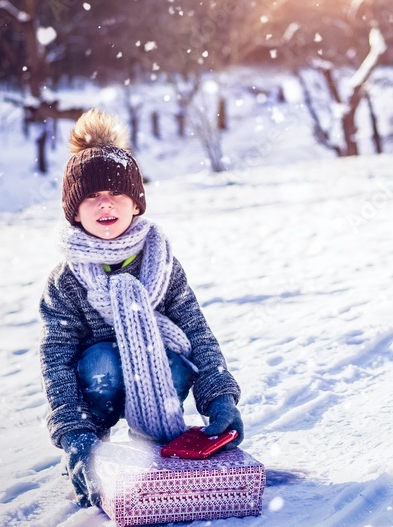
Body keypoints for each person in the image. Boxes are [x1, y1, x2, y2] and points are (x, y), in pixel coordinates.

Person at [37, 108, 243, 507]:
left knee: (173, 357)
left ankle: (153, 439)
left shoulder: (160, 261)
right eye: (92, 197)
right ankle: (96, 446)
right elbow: (55, 357)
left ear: (136, 204)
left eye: (116, 193)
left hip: (158, 379)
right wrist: (74, 433)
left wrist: (220, 398)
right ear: (74, 211)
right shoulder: (66, 280)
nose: (105, 204)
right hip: (97, 385)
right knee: (102, 361)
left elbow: (196, 329)